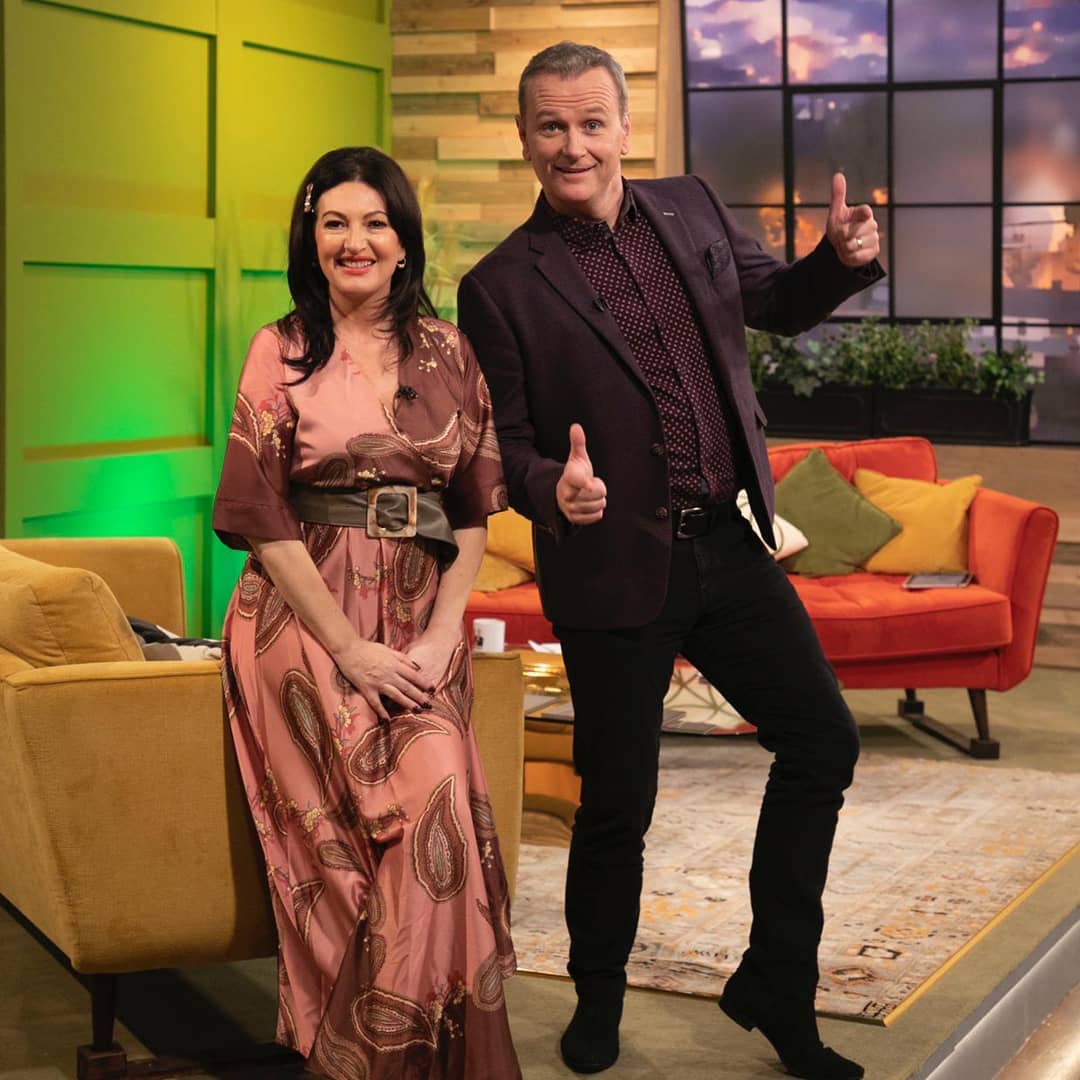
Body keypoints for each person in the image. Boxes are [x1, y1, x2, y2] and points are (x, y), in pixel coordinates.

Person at [458, 42, 884, 1080]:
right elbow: (504, 442)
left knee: (823, 742)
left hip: (729, 545)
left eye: (590, 123)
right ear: (525, 139)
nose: (573, 145)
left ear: (623, 127)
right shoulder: (499, 286)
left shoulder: (690, 208)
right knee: (618, 804)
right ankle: (597, 996)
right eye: (551, 126)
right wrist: (548, 489)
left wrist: (838, 259)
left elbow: (776, 303)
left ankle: (777, 984)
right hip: (610, 567)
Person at [213, 146, 521, 1080]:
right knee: (372, 836)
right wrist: (348, 647)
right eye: (334, 223)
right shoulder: (280, 349)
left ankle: (373, 1060)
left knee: (440, 812)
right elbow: (258, 514)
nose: (356, 241)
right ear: (310, 238)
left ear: (403, 240)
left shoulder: (448, 351)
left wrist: (442, 633)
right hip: (303, 613)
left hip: (421, 613)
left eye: (374, 222)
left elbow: (473, 506)